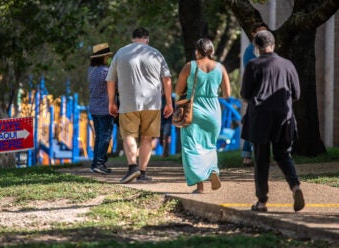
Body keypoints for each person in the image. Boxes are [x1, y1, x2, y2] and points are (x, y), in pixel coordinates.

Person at [241, 30, 305, 212]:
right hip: (284, 116)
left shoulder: (253, 65)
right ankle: (295, 187)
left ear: (256, 47)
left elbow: (245, 94)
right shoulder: (287, 65)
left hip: (260, 117)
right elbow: (297, 94)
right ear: (273, 44)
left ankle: (262, 202)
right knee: (284, 154)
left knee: (261, 158)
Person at [106, 27, 173, 184]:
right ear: (147, 39)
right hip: (152, 104)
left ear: (132, 38)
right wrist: (169, 103)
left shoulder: (120, 53)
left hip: (128, 103)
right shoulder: (156, 54)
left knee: (128, 135)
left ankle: (132, 168)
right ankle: (142, 173)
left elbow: (110, 80)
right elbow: (167, 79)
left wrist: (111, 102)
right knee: (147, 138)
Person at [175, 38, 230, 194]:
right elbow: (227, 94)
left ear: (197, 51)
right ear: (211, 51)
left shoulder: (190, 66)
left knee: (191, 147)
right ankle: (212, 170)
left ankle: (200, 186)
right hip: (213, 111)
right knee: (210, 145)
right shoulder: (220, 67)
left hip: (194, 110)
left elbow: (178, 91)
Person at [241, 22, 268, 167]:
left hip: (269, 91)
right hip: (256, 92)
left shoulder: (267, 49)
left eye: (265, 31)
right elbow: (250, 72)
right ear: (253, 33)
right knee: (252, 122)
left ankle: (261, 156)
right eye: (260, 31)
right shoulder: (251, 50)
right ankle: (247, 156)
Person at [88, 43, 115, 174]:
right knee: (105, 136)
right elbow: (114, 87)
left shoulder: (91, 71)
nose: (109, 59)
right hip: (105, 108)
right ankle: (100, 163)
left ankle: (95, 163)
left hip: (94, 108)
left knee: (99, 136)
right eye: (107, 56)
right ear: (103, 57)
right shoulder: (106, 71)